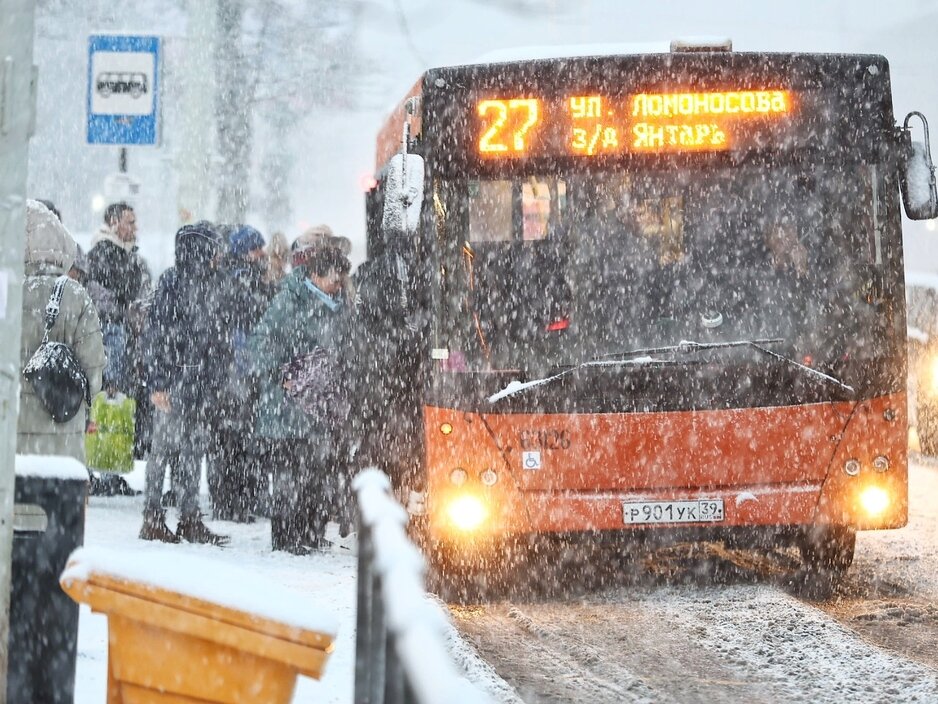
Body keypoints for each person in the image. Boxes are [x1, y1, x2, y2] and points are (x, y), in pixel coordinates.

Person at [248, 244, 352, 554]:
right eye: (335, 280)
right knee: (288, 475)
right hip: (287, 408)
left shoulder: (337, 303)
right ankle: (285, 538)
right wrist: (282, 375)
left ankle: (310, 533)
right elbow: (259, 344)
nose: (338, 286)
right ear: (316, 275)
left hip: (319, 407)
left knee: (315, 476)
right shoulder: (289, 302)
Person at [138, 222, 230, 545]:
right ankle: (153, 517)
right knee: (162, 451)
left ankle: (189, 517)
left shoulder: (209, 282)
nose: (219, 254)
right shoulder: (173, 282)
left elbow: (215, 337)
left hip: (197, 383)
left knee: (192, 451)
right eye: (214, 248)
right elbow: (158, 335)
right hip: (176, 379)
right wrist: (159, 382)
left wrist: (214, 378)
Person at [17, 200, 106, 461]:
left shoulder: (6, 293)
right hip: (62, 444)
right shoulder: (76, 295)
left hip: (10, 438)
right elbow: (94, 374)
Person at [209, 225, 275, 521]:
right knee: (234, 440)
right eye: (256, 248)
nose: (261, 254)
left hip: (241, 372)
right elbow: (243, 320)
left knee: (239, 440)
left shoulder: (241, 279)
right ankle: (233, 499)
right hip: (236, 373)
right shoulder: (238, 281)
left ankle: (240, 498)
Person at [86, 202, 150, 392]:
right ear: (114, 222)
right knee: (112, 402)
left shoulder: (128, 256)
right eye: (130, 222)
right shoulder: (104, 255)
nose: (135, 227)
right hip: (114, 337)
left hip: (123, 337)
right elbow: (104, 300)